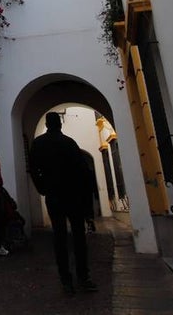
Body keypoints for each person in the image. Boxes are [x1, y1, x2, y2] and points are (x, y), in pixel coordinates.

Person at [29, 112, 98, 294]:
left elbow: (33, 169)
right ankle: (83, 276)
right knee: (78, 237)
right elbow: (84, 172)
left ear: (46, 124)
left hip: (53, 196)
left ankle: (65, 280)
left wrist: (42, 188)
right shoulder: (69, 143)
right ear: (59, 124)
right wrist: (86, 203)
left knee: (59, 237)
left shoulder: (38, 144)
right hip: (73, 195)